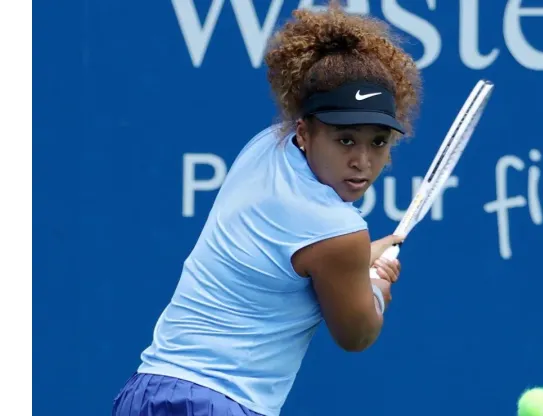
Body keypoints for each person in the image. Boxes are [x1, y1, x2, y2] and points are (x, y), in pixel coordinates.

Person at [111, 3, 422, 416]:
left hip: (147, 392)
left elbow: (290, 261)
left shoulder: (267, 148)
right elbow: (357, 333)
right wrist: (377, 287)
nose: (362, 161)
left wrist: (362, 257)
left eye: (378, 141)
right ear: (305, 131)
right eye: (345, 139)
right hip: (217, 404)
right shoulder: (337, 231)